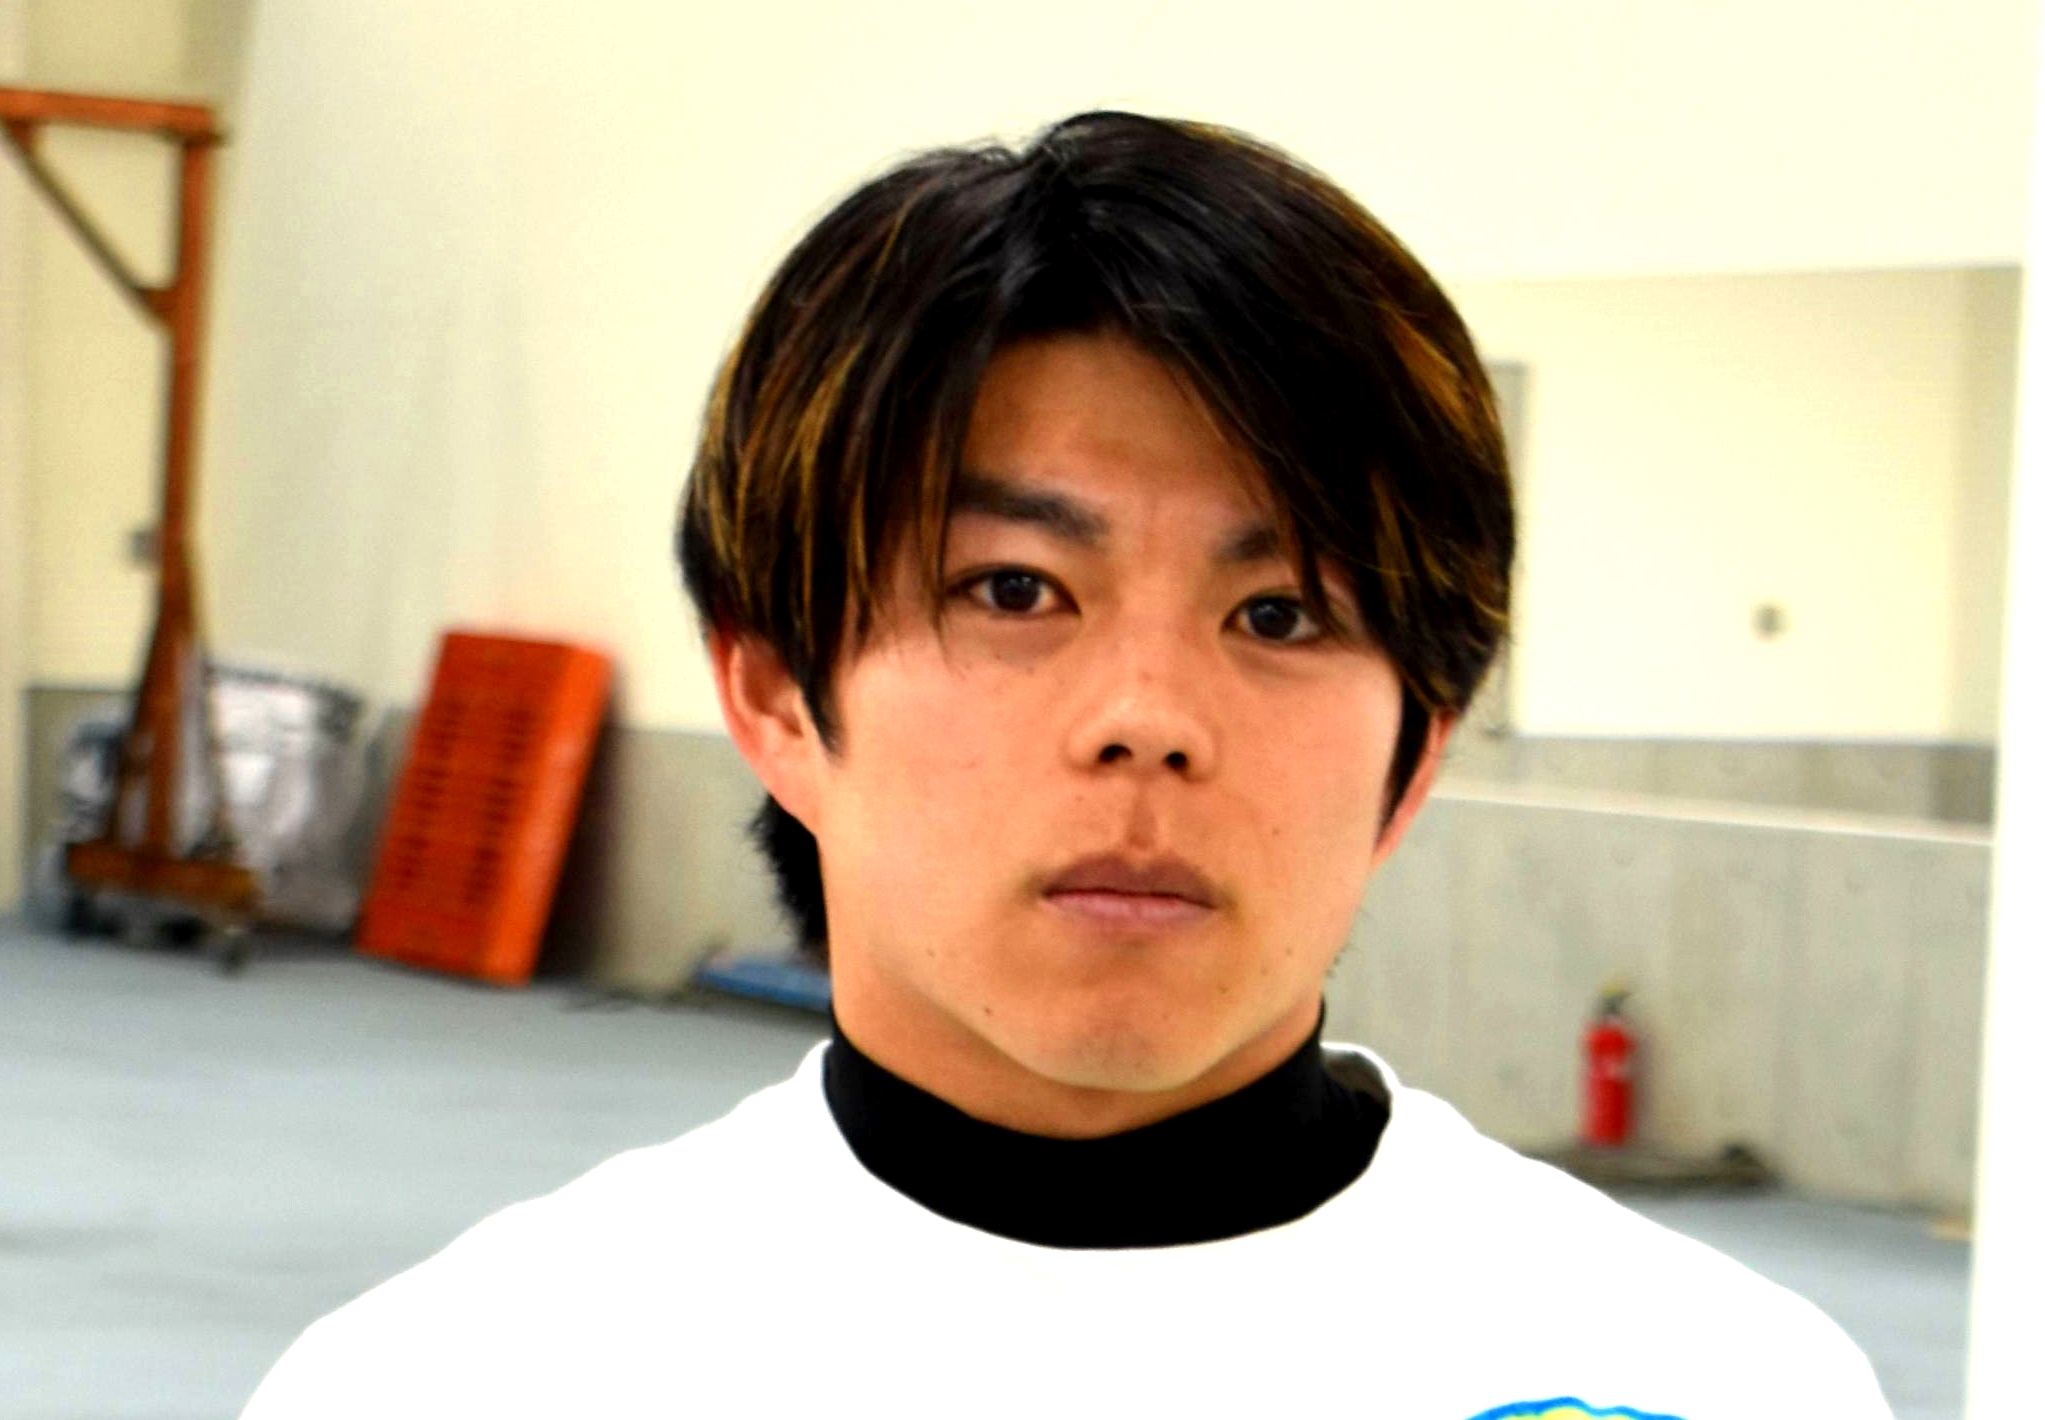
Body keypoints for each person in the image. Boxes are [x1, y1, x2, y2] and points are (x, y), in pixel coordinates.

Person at [243, 111, 1891, 1419]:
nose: (1150, 715)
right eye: (1015, 590)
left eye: (1280, 613)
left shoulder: (1707, 1378)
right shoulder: (471, 1379)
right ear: (775, 695)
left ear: (1418, 746)